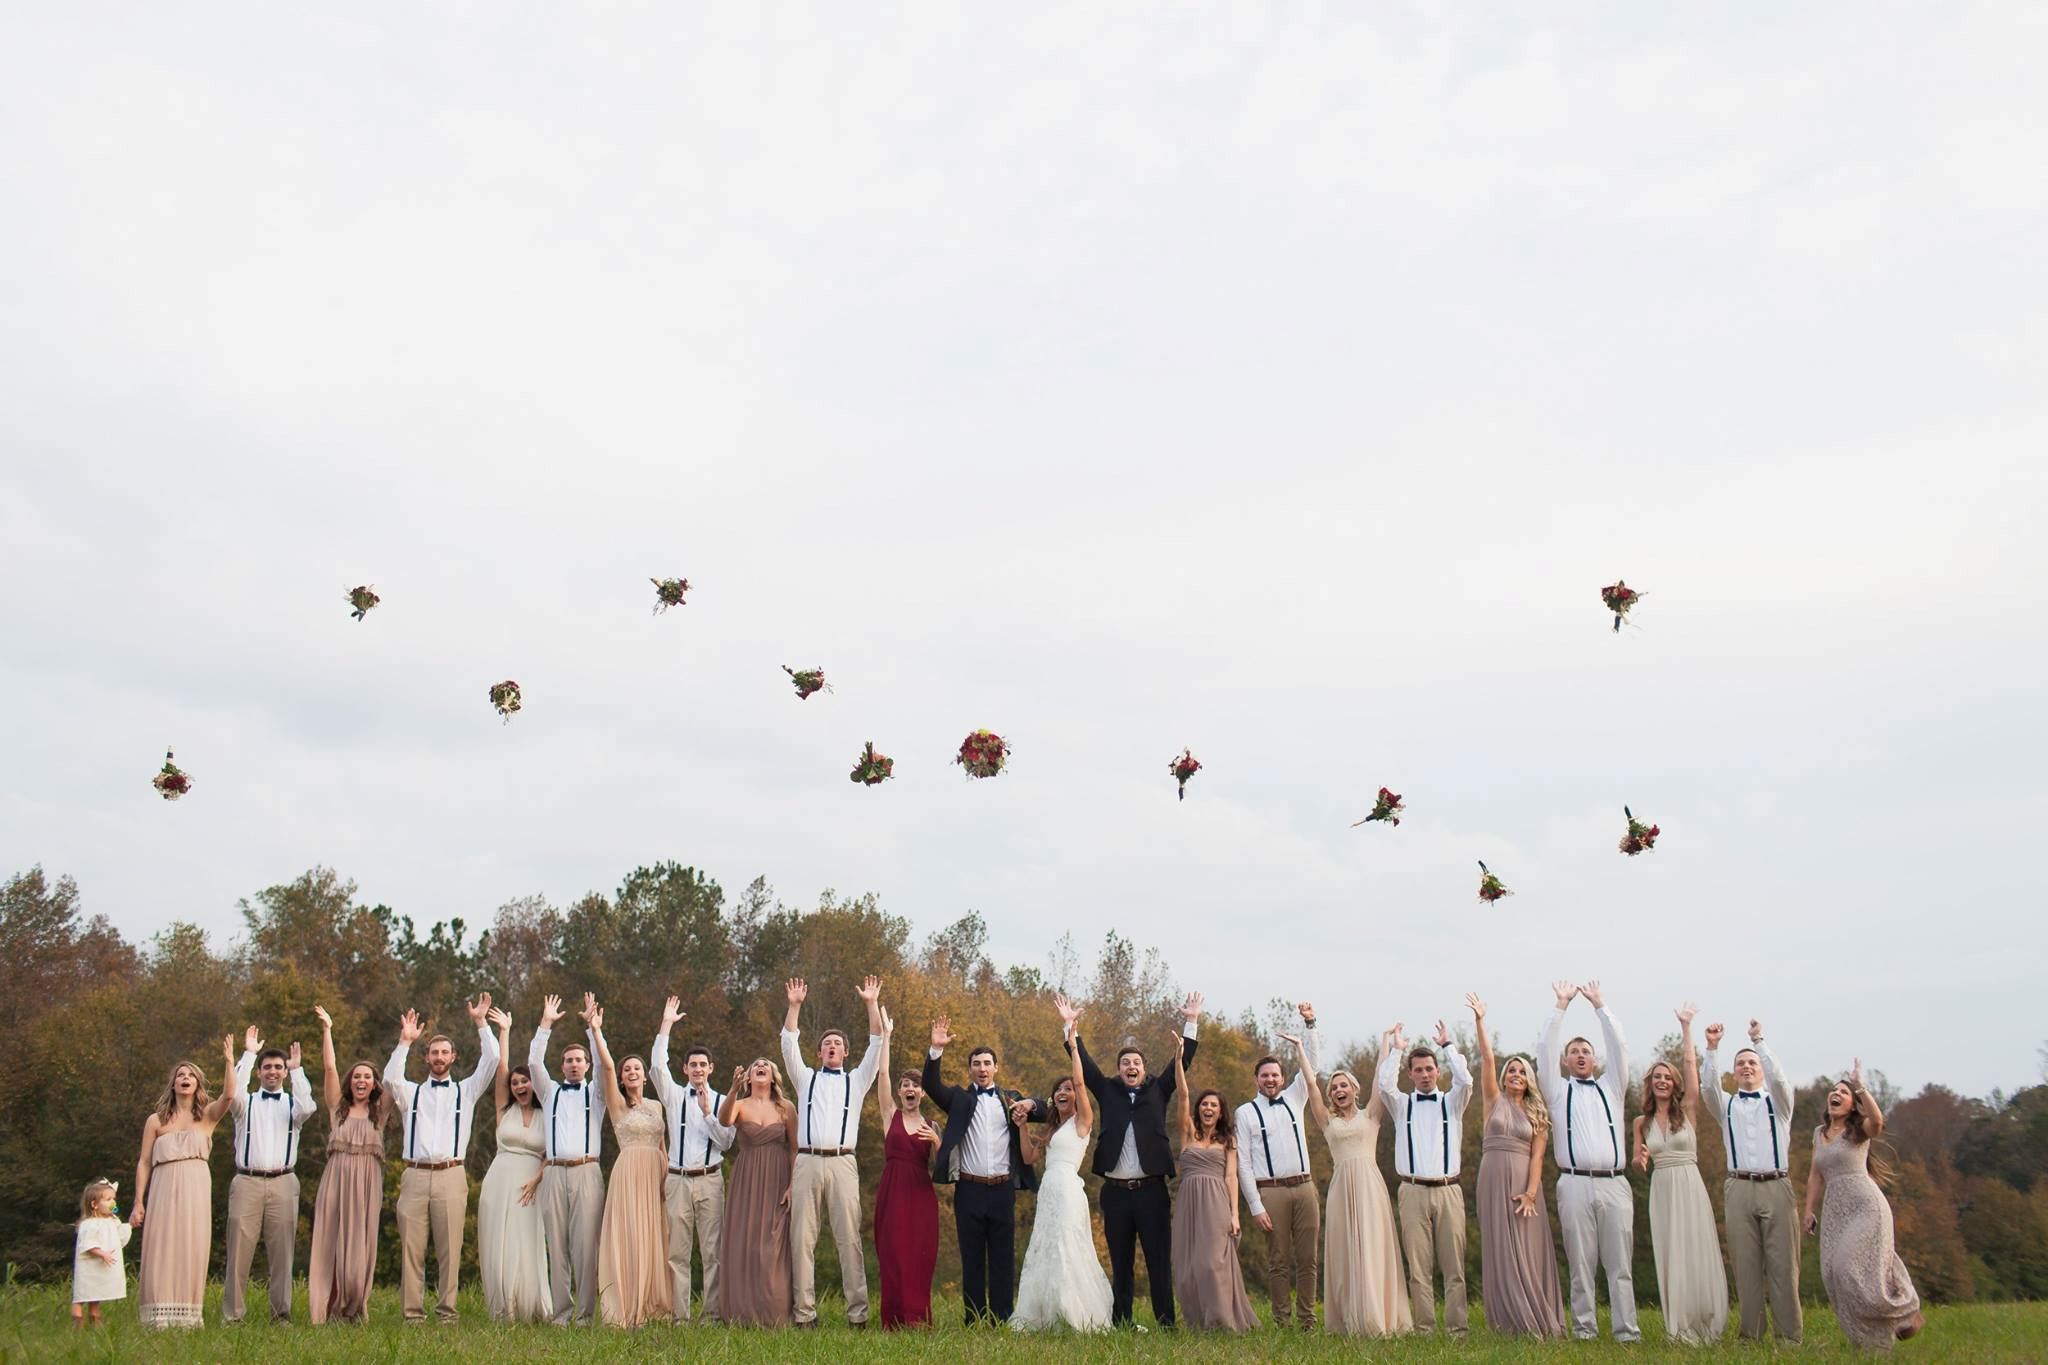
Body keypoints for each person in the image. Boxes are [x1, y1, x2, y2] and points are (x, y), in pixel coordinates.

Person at [1067, 990, 1203, 1328]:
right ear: (1119, 1070)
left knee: (1158, 1259)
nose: (1131, 1066)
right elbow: (1084, 1066)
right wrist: (1070, 1029)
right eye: (1125, 1063)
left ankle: (1166, 1322)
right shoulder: (1108, 1090)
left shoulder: (1158, 1089)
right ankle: (1122, 1322)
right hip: (1114, 1193)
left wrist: (1191, 1021)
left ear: (1144, 1069)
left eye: (1136, 1063)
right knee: (1120, 1261)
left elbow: (1181, 1063)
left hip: (1151, 1191)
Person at [384, 993, 500, 1323]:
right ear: (426, 1058)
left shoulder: (467, 1090)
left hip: (451, 1174)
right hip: (415, 1174)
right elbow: (391, 1079)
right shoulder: (411, 1092)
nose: (439, 1057)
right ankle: (412, 1314)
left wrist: (480, 1022)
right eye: (433, 1052)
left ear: (453, 1056)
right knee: (412, 1248)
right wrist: (404, 1042)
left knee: (450, 1248)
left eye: (444, 1052)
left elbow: (491, 1060)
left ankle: (447, 1312)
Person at [923, 1009, 1044, 1324]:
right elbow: (931, 1085)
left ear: (996, 1068)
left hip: (1002, 1188)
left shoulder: (1010, 1100)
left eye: (987, 1063)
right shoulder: (959, 1100)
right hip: (969, 1189)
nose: (982, 1068)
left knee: (1003, 1257)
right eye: (976, 1064)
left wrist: (1031, 1104)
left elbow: (1046, 1109)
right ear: (970, 1070)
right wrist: (936, 1049)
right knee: (972, 1257)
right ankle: (974, 1318)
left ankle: (1002, 1317)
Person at [779, 974, 885, 1328]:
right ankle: (804, 1314)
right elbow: (787, 1043)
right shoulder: (805, 1078)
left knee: (848, 1240)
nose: (832, 1047)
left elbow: (876, 1043)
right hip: (807, 1161)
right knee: (802, 1239)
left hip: (843, 1162)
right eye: (827, 1043)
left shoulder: (857, 1081)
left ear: (846, 1052)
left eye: (838, 1043)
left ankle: (858, 1315)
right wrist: (794, 1007)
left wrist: (871, 1004)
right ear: (819, 1051)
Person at [1537, 979, 1639, 1342]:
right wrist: (1560, 1006)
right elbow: (1543, 1051)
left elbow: (1621, 1047)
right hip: (1574, 1182)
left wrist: (1600, 1006)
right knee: (1581, 1262)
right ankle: (1584, 1329)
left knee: (1620, 1264)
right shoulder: (1556, 1089)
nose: (1581, 1055)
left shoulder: (1613, 1087)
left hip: (1615, 1183)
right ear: (1566, 1061)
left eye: (1586, 1051)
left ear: (1594, 1059)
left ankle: (1627, 1331)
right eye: (1575, 1051)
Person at [1466, 992, 1565, 1338]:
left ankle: (1534, 1316)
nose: (1516, 1074)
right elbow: (1488, 1059)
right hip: (1491, 1179)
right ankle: (1506, 1321)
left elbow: (1538, 1157)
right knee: (1499, 1247)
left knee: (1526, 1248)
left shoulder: (1537, 1113)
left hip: (1523, 1186)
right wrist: (1480, 1021)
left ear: (1529, 1079)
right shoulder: (1493, 1101)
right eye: (1513, 1069)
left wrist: (1531, 1193)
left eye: (1522, 1071)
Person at [1299, 1032, 1410, 1336]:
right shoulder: (1326, 1121)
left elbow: (1380, 1077)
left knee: (1372, 1247)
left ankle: (1377, 1316)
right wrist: (1299, 1048)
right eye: (1334, 1087)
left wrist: (1386, 1042)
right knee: (1346, 1250)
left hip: (1369, 1186)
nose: (1338, 1090)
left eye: (1343, 1085)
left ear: (1354, 1089)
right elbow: (1310, 1086)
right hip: (1340, 1188)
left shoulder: (1372, 1114)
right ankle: (1348, 1317)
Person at [1806, 1059, 1923, 1349]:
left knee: (1849, 1266)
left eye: (1844, 1093)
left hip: (1866, 1205)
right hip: (1835, 1210)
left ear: (1852, 1104)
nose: (1836, 1094)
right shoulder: (1819, 1134)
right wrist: (1808, 1209)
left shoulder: (1859, 1131)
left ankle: (1904, 1312)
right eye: (1834, 1090)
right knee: (1832, 1273)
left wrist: (1860, 1086)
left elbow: (1879, 1122)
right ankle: (1869, 1337)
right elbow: (1815, 1175)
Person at [1011, 1005, 1113, 1332]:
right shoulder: (1052, 1130)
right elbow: (1028, 1158)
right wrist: (1022, 1125)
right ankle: (1046, 1313)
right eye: (1059, 1090)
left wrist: (1072, 1043)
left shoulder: (1082, 1123)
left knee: (1069, 1246)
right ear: (1053, 1099)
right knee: (1046, 1247)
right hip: (1049, 1193)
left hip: (1069, 1190)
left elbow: (1083, 1084)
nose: (1064, 1092)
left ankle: (1074, 1312)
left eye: (1068, 1089)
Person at [1631, 1005, 1729, 1344]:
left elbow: (1691, 1068)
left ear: (1673, 1083)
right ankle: (1679, 1326)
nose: (1662, 1081)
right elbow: (1636, 1161)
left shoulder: (1687, 1109)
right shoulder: (1640, 1123)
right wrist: (1641, 1159)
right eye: (1656, 1076)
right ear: (1650, 1083)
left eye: (1666, 1077)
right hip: (1662, 1187)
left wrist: (1687, 1028)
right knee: (1670, 1252)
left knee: (1695, 1247)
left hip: (1689, 1181)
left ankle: (1706, 1321)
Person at [1703, 1016, 1801, 1343]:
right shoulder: (1727, 1105)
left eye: (1752, 1063)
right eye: (1740, 1063)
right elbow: (1707, 1088)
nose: (1746, 1067)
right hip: (1738, 1187)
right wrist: (1713, 1049)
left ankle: (1788, 1337)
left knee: (1784, 1266)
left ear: (1761, 1069)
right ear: (1733, 1072)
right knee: (1745, 1267)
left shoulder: (1779, 1104)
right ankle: (1751, 1335)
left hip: (1777, 1185)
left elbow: (1781, 1081)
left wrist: (1759, 1041)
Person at [1375, 1018, 1472, 1336]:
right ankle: (1425, 1328)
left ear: (1437, 1071)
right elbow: (1385, 1085)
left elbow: (1467, 1082)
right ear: (1411, 1073)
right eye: (1418, 1070)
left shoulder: (1452, 1103)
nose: (1425, 1074)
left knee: (1454, 1266)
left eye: (1430, 1069)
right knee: (1418, 1268)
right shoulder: (1402, 1105)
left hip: (1448, 1190)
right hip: (1412, 1191)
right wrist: (1396, 1051)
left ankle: (1458, 1328)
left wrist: (1448, 1046)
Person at [131, 1037, 238, 1328]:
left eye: (191, 1075)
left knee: (191, 1244)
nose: (185, 1078)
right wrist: (138, 1201)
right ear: (173, 1084)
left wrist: (229, 1060)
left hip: (195, 1185)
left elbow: (229, 1096)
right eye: (180, 1075)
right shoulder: (156, 1121)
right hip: (164, 1185)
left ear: (198, 1084)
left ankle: (188, 1316)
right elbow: (143, 1162)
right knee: (162, 1245)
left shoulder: (206, 1117)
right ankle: (158, 1316)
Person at [1234, 1001, 1322, 1330]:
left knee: (1309, 1259)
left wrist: (1308, 1027)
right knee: (1278, 1261)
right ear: (1256, 1079)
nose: (1270, 1080)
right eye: (1264, 1075)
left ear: (1283, 1078)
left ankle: (1308, 1321)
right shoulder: (1245, 1113)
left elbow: (1312, 1064)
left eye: (1275, 1075)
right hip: (1270, 1192)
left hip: (1304, 1186)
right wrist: (1255, 1205)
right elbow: (1242, 1163)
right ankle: (1282, 1322)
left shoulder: (1296, 1098)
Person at [222, 1025, 318, 1323]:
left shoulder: (293, 1105)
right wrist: (249, 1054)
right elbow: (232, 1093)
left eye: (278, 1067)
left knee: (282, 1253)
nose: (273, 1072)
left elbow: (309, 1107)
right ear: (259, 1072)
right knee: (238, 1251)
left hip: (284, 1182)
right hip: (247, 1180)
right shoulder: (245, 1103)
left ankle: (281, 1315)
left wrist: (298, 1070)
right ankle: (233, 1316)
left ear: (284, 1072)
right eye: (267, 1067)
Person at [307, 1004, 393, 1325]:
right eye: (356, 1076)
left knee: (360, 1243)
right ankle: (325, 1308)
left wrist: (405, 1042)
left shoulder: (379, 1112)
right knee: (330, 1240)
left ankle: (354, 1307)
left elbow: (395, 1078)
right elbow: (329, 1068)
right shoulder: (337, 1110)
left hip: (367, 1182)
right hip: (336, 1179)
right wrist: (328, 1028)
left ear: (374, 1084)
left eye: (367, 1077)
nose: (361, 1080)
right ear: (350, 1082)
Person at [651, 994, 734, 1323]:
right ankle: (680, 1317)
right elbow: (657, 1065)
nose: (698, 1069)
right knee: (677, 1253)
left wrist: (707, 1113)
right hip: (677, 1179)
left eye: (703, 1065)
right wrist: (666, 1025)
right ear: (684, 1069)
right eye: (693, 1065)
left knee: (712, 1252)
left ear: (711, 1069)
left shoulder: (723, 1100)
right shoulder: (672, 1095)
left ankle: (711, 1316)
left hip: (711, 1179)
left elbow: (727, 1141)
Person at [1168, 1027, 1258, 1330]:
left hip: (1217, 1203)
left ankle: (1222, 1319)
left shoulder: (1227, 1141)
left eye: (1214, 1106)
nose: (1208, 1108)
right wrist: (1178, 1062)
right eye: (1205, 1104)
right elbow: (1182, 1095)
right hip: (1188, 1202)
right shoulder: (1188, 1134)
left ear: (1220, 1113)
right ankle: (1197, 1320)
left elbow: (1231, 1177)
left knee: (1212, 1263)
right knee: (1186, 1265)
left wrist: (1235, 1215)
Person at [590, 1001, 672, 1326]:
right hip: (628, 1173)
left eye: (637, 1069)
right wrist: (596, 1031)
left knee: (654, 1234)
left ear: (644, 1077)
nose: (632, 1072)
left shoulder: (656, 1106)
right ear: (622, 1079)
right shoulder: (617, 1105)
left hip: (655, 1173)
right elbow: (607, 1068)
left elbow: (663, 1144)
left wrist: (667, 1177)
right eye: (628, 1070)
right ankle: (624, 1305)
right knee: (629, 1234)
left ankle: (652, 1304)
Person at [528, 991, 607, 1325]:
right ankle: (561, 1315)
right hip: (555, 1174)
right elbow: (533, 1063)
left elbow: (605, 1065)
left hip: (587, 1172)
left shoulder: (598, 1093)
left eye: (579, 1060)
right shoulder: (549, 1093)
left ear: (586, 1065)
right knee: (556, 1247)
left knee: (586, 1248)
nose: (575, 1065)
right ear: (562, 1066)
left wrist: (592, 1029)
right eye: (569, 1061)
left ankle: (586, 1316)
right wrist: (546, 1023)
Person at [476, 1004, 550, 1323]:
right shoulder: (503, 1109)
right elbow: (502, 1067)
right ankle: (503, 1306)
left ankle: (531, 1306)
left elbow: (553, 1155)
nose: (520, 1086)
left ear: (535, 1084)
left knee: (527, 1240)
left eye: (526, 1082)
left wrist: (537, 1180)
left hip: (532, 1182)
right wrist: (504, 1032)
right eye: (516, 1082)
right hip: (499, 1179)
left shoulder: (548, 1115)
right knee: (498, 1241)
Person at [716, 1055, 798, 1326]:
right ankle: (742, 1313)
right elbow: (725, 1120)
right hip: (748, 1176)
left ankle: (774, 1312)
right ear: (749, 1077)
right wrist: (732, 1090)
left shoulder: (786, 1107)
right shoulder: (738, 1104)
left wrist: (792, 1184)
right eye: (755, 1066)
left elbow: (795, 1148)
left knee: (773, 1245)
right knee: (747, 1241)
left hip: (777, 1176)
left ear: (773, 1076)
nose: (760, 1066)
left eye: (766, 1065)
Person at [875, 1006, 940, 1328]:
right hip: (893, 1190)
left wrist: (937, 1143)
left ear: (924, 1092)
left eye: (916, 1085)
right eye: (905, 1085)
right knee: (893, 1253)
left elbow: (943, 1169)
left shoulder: (933, 1125)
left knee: (918, 1256)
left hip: (921, 1194)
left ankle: (917, 1318)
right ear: (900, 1091)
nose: (910, 1089)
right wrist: (886, 1036)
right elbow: (882, 1074)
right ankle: (893, 1319)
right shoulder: (891, 1115)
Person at [72, 1178, 130, 1327]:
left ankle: (94, 1315)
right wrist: (101, 1253)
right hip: (91, 1264)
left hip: (103, 1265)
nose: (113, 1203)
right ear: (94, 1204)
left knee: (96, 1291)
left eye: (114, 1199)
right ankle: (77, 1315)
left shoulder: (113, 1221)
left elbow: (119, 1237)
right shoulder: (89, 1224)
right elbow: (88, 1243)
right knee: (85, 1288)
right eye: (108, 1199)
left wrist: (130, 1225)